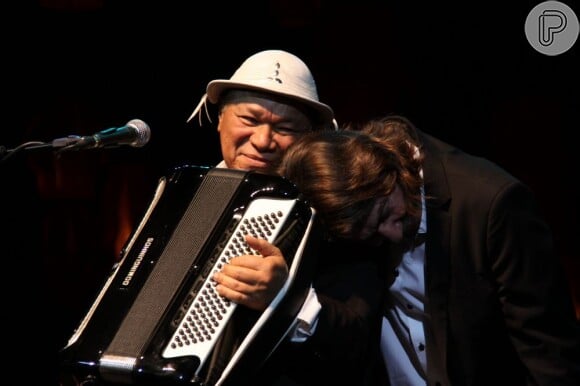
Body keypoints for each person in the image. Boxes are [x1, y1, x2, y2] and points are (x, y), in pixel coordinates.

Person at [277, 115, 580, 386]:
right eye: (372, 236)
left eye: (387, 214)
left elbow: (550, 358)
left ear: (389, 172)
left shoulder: (492, 205)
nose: (393, 235)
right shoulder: (343, 212)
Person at [186, 49, 382, 385]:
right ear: (219, 118)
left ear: (310, 139)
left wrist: (287, 298)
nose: (263, 141)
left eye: (285, 128)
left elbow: (358, 339)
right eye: (249, 120)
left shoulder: (332, 213)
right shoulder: (182, 196)